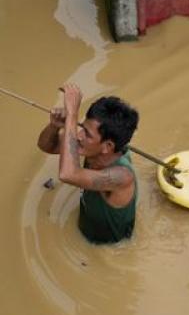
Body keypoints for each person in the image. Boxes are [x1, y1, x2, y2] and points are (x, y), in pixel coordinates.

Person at [37, 84, 139, 244]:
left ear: (107, 147)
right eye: (82, 128)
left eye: (87, 134)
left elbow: (67, 174)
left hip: (110, 248)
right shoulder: (89, 147)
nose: (78, 136)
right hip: (87, 227)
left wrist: (72, 114)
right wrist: (54, 126)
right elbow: (46, 146)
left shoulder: (122, 176)